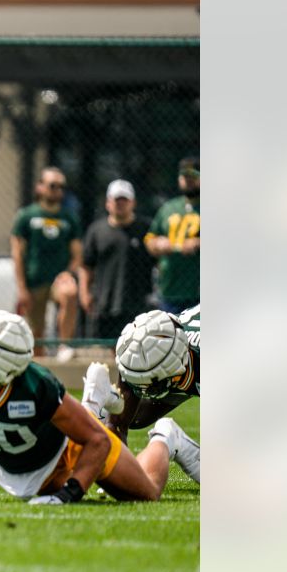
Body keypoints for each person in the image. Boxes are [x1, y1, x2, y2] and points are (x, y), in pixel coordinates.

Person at [0, 310, 197, 504]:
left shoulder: (36, 386)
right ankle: (93, 402)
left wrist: (70, 494)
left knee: (146, 494)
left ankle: (164, 436)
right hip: (27, 465)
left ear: (4, 366)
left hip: (71, 447)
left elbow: (96, 441)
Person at [80, 306, 201, 483]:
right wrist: (119, 476)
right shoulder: (140, 350)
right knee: (134, 416)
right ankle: (101, 403)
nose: (143, 390)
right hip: (184, 366)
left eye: (149, 383)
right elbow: (117, 424)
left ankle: (178, 443)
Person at [10, 166, 82, 357]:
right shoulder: (26, 216)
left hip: (58, 279)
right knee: (36, 340)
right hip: (33, 281)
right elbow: (17, 254)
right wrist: (22, 288)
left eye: (61, 186)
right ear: (40, 187)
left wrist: (68, 272)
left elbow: (77, 255)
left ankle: (64, 346)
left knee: (70, 293)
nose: (57, 190)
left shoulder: (69, 218)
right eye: (52, 185)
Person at [78, 179, 156, 340]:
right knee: (104, 351)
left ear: (133, 203)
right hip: (105, 304)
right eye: (116, 200)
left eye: (124, 200)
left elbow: (158, 262)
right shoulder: (96, 231)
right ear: (108, 203)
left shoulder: (146, 229)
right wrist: (84, 292)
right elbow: (86, 266)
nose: (120, 204)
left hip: (138, 303)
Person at [145, 157, 201, 314]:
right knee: (170, 336)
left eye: (193, 177)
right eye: (184, 177)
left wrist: (198, 243)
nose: (188, 181)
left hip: (199, 292)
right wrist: (158, 244)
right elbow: (150, 240)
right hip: (170, 290)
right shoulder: (168, 208)